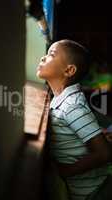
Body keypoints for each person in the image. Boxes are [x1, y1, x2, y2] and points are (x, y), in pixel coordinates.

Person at [36, 39, 112, 200]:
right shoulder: (60, 99)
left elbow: (104, 153)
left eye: (51, 54)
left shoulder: (72, 106)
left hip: (98, 190)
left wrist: (65, 171)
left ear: (69, 70)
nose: (43, 57)